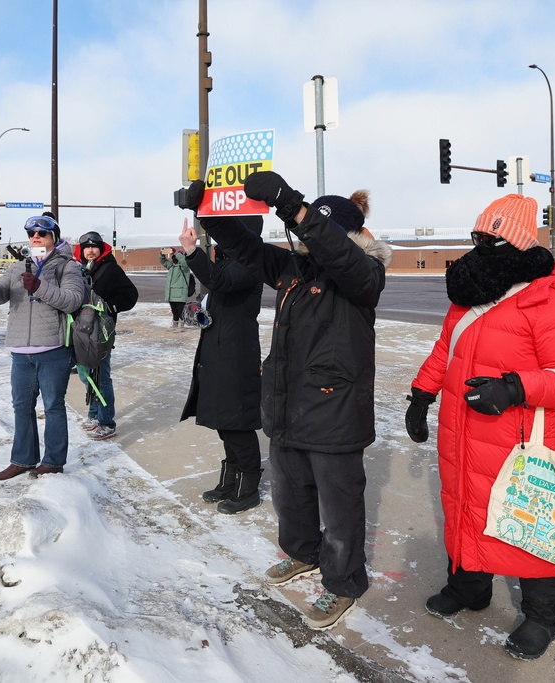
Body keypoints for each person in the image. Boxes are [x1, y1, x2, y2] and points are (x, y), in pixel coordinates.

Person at [177, 171, 392, 630]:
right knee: (291, 495)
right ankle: (302, 554)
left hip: (334, 412)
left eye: (323, 230)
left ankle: (343, 583)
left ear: (346, 234)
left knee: (339, 508)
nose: (315, 238)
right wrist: (209, 211)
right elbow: (248, 250)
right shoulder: (296, 269)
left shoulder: (364, 274)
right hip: (288, 406)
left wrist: (294, 207)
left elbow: (341, 257)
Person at [404, 194, 555, 660]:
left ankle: (544, 614)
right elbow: (446, 350)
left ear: (519, 244)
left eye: (492, 237)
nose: (481, 246)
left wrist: (513, 388)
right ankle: (468, 589)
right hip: (460, 430)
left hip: (517, 437)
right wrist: (422, 395)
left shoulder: (545, 300)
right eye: (477, 236)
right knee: (464, 506)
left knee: (529, 524)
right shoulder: (468, 293)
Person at [0, 215, 85, 479]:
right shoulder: (16, 268)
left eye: (42, 233)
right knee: (21, 406)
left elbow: (72, 300)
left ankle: (53, 461)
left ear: (53, 237)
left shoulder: (67, 267)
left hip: (53, 349)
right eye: (32, 233)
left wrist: (40, 286)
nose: (36, 237)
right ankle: (23, 460)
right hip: (20, 353)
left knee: (53, 407)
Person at [177, 216, 264, 514]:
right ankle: (231, 479)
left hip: (236, 355)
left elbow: (219, 282)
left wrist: (192, 250)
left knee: (237, 423)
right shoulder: (229, 261)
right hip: (217, 351)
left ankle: (249, 486)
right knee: (223, 422)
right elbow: (215, 290)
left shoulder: (250, 262)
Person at [72, 230, 139, 441]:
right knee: (85, 374)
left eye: (94, 247)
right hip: (80, 331)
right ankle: (93, 414)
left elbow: (130, 295)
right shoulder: (78, 270)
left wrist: (109, 307)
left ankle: (106, 422)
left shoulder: (110, 269)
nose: (91, 251)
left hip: (100, 332)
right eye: (87, 248)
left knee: (101, 377)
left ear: (101, 249)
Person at [159, 246, 192, 330]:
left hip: (180, 293)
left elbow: (184, 262)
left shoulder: (184, 268)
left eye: (175, 257)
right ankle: (175, 324)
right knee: (174, 311)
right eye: (173, 257)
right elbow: (163, 261)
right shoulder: (171, 267)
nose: (174, 259)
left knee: (180, 311)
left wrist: (177, 253)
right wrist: (162, 254)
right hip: (171, 293)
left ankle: (181, 324)